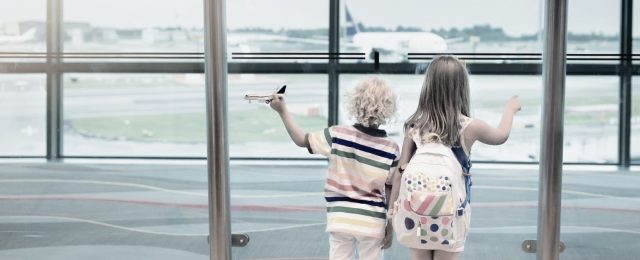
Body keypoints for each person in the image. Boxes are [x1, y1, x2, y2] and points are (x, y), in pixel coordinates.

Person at [387, 55, 521, 260]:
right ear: (461, 88)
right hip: (451, 219)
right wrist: (510, 109)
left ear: (428, 86)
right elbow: (501, 136)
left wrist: (390, 216)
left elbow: (399, 172)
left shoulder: (415, 125)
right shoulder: (468, 126)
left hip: (416, 215)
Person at [268, 77, 400, 260]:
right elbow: (391, 189)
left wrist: (282, 111)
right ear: (388, 107)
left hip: (340, 218)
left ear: (355, 103)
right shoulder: (391, 148)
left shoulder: (338, 134)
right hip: (372, 223)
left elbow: (301, 140)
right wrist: (390, 227)